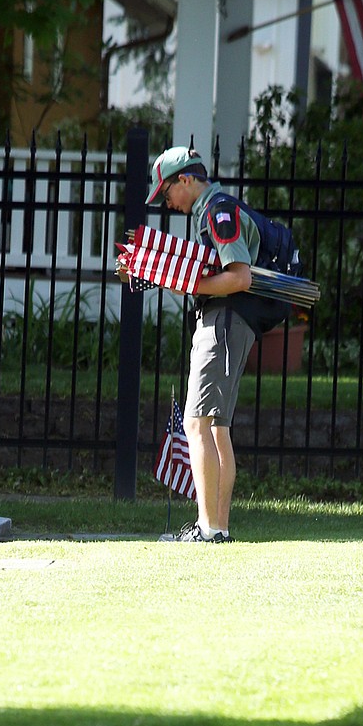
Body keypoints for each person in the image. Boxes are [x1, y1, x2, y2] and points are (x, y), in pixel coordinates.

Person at [137, 145, 263, 544]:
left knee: (198, 423)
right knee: (218, 428)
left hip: (223, 320)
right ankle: (218, 528)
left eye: (168, 191)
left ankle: (208, 530)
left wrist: (189, 284)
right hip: (232, 322)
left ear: (187, 179)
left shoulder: (216, 211)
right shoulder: (214, 210)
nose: (167, 201)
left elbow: (239, 276)